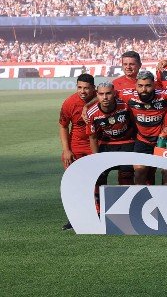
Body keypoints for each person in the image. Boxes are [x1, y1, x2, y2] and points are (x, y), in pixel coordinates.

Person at [59, 73, 96, 229]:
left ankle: (97, 214)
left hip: (95, 144)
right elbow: (62, 125)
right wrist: (66, 150)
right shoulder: (69, 102)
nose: (82, 91)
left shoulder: (102, 97)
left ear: (93, 89)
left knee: (96, 180)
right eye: (79, 87)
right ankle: (73, 217)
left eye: (86, 88)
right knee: (74, 182)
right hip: (76, 146)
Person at [127, 71, 167, 184]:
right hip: (142, 141)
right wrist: (86, 107)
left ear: (154, 85)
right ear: (136, 86)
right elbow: (106, 93)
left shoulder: (165, 95)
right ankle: (140, 199)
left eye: (148, 85)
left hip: (163, 141)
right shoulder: (128, 96)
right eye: (140, 86)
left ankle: (166, 199)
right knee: (139, 172)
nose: (144, 89)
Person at [86, 82, 136, 187]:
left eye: (108, 93)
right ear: (97, 94)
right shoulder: (91, 113)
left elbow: (135, 123)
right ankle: (99, 202)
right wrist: (96, 157)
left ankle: (127, 200)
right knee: (100, 174)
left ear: (114, 93)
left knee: (127, 174)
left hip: (127, 142)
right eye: (101, 94)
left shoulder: (125, 105)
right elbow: (93, 137)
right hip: (106, 144)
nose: (105, 97)